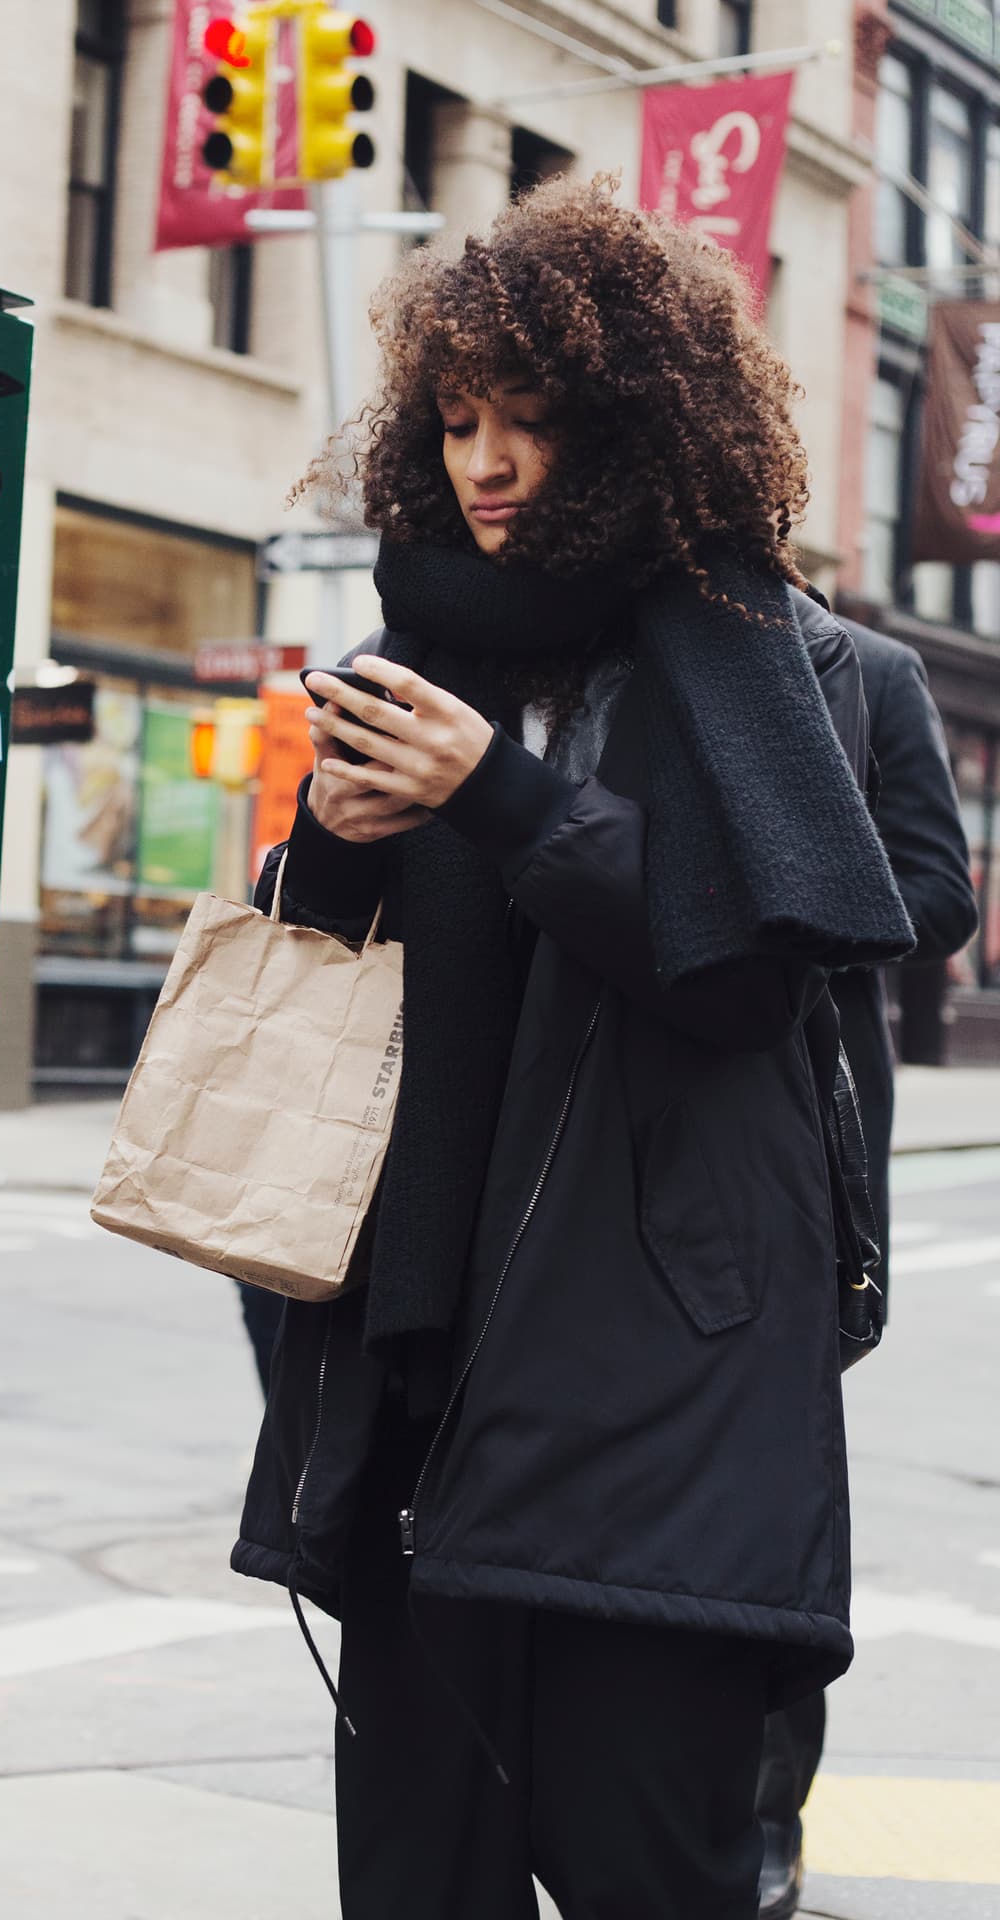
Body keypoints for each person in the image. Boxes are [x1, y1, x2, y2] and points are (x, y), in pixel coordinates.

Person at [231, 176, 914, 1919]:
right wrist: (341, 832)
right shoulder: (414, 652)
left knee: (652, 1880)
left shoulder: (781, 671)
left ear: (637, 428)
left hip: (650, 1405)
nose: (487, 462)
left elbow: (749, 984)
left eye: (532, 421)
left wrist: (507, 797)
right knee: (413, 1885)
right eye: (458, 421)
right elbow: (331, 969)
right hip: (413, 1388)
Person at [755, 617, 977, 1920]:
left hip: (794, 1145)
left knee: (772, 1516)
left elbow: (939, 895)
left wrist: (764, 891)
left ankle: (762, 1814)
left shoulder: (869, 675)